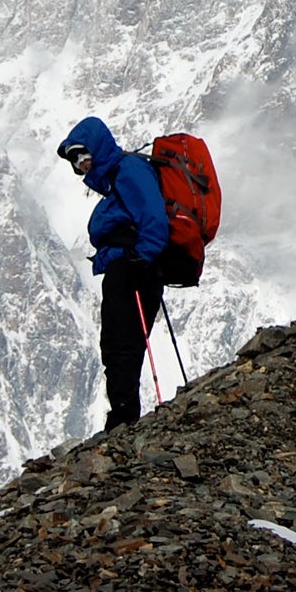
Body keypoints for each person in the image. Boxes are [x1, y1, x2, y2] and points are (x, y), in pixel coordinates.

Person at [56, 116, 169, 431]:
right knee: (121, 340)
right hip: (128, 266)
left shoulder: (129, 171)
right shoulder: (118, 180)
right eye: (75, 161)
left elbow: (154, 218)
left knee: (121, 339)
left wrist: (141, 260)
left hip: (132, 268)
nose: (81, 165)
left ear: (99, 147)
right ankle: (123, 412)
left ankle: (123, 415)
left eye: (84, 155)